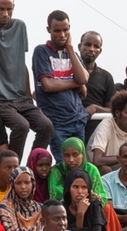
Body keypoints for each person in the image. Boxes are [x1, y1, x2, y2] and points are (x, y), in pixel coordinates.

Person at [0, 0, 53, 161]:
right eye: (1, 9)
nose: (5, 14)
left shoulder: (20, 26)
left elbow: (20, 62)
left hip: (20, 97)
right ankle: (12, 168)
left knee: (46, 125)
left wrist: (28, 95)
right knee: (21, 126)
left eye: (9, 9)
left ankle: (33, 165)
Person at [32, 11, 88, 162]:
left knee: (80, 167)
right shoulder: (41, 51)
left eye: (66, 30)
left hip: (77, 121)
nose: (62, 34)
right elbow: (48, 85)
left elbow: (83, 79)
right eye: (57, 30)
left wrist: (69, 49)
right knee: (65, 166)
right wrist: (75, 83)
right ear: (49, 29)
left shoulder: (73, 53)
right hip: (57, 123)